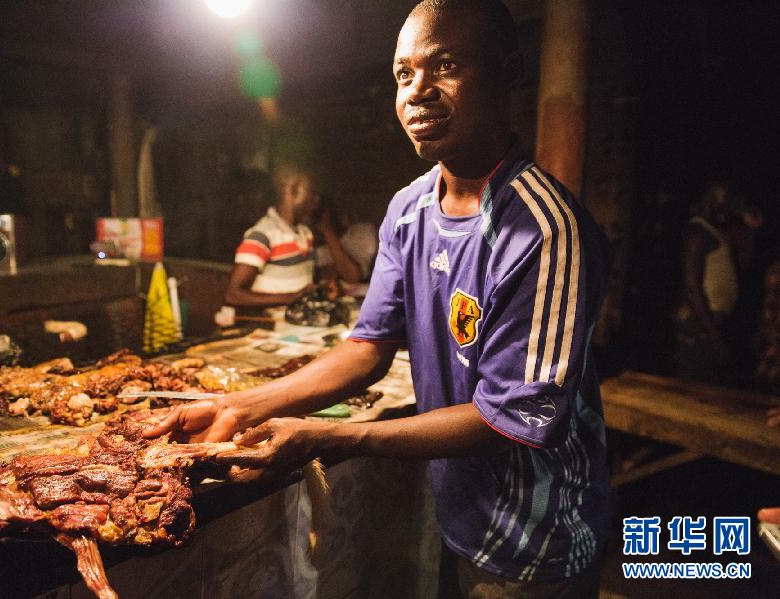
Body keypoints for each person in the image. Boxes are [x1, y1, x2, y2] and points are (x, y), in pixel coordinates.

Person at [148, 1, 611, 597]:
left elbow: (509, 419)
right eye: (403, 74)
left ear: (506, 72)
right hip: (463, 512)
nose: (417, 93)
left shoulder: (547, 231)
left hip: (536, 537)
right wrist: (243, 406)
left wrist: (326, 436)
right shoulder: (409, 209)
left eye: (443, 67)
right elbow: (367, 348)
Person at [225, 163, 320, 308]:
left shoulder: (305, 233)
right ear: (291, 191)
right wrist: (292, 297)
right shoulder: (262, 236)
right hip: (270, 327)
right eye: (311, 193)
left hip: (299, 324)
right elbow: (233, 295)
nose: (316, 200)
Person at [675, 179, 739, 382]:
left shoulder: (713, 230)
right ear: (712, 192)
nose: (729, 202)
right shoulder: (698, 232)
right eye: (726, 195)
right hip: (700, 325)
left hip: (709, 323)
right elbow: (693, 289)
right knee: (696, 389)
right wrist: (714, 337)